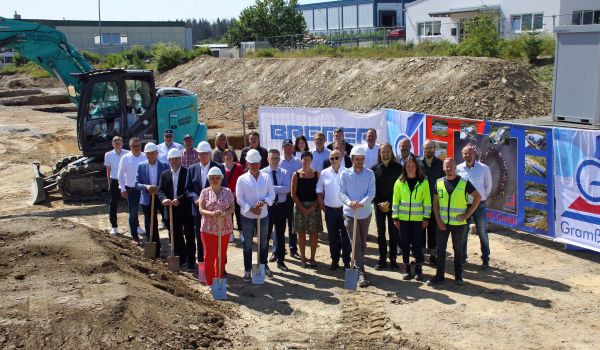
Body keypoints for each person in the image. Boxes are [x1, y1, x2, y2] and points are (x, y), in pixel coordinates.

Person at [427, 158, 481, 286]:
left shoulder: (464, 183)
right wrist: (438, 220)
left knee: (458, 250)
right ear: (443, 168)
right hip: (442, 223)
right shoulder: (439, 183)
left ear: (455, 167)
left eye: (451, 166)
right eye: (446, 166)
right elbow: (435, 203)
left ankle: (458, 277)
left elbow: (478, 197)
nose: (449, 168)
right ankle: (439, 277)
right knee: (440, 250)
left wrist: (468, 214)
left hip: (458, 224)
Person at [236, 149, 275, 281]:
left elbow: (272, 195)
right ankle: (247, 270)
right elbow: (239, 198)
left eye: (256, 163)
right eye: (251, 163)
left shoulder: (266, 177)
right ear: (247, 163)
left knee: (263, 243)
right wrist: (251, 209)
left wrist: (264, 202)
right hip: (247, 217)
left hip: (263, 215)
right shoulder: (241, 179)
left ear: (260, 163)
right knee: (247, 244)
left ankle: (262, 267)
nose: (254, 165)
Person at [339, 146, 376, 287]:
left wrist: (361, 203)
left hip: (365, 213)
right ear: (352, 159)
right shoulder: (345, 174)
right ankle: (360, 271)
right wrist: (350, 203)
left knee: (362, 242)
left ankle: (359, 263)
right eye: (357, 159)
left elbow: (371, 192)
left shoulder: (370, 174)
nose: (359, 162)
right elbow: (341, 193)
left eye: (361, 159)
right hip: (349, 213)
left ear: (364, 160)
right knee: (355, 243)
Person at [185, 141, 226, 265]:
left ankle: (219, 266)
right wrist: (195, 198)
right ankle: (203, 264)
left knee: (217, 238)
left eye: (206, 154)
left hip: (215, 211)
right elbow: (188, 189)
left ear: (210, 154)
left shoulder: (219, 168)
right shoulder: (192, 169)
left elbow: (224, 188)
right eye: (201, 154)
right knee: (201, 237)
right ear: (198, 155)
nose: (204, 156)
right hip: (199, 211)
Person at [392, 157, 431, 281]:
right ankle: (406, 267)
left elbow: (427, 201)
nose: (410, 168)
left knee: (417, 243)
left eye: (412, 166)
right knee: (404, 244)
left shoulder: (423, 182)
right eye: (408, 166)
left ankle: (418, 267)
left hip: (418, 219)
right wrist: (395, 217)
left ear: (416, 167)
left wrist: (426, 217)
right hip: (403, 220)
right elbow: (395, 201)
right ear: (404, 167)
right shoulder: (399, 182)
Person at [158, 149, 195, 271]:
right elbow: (161, 190)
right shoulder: (165, 174)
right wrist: (164, 199)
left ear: (181, 159)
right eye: (172, 159)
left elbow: (189, 190)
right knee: (176, 235)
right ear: (169, 160)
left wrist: (179, 199)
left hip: (185, 209)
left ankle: (191, 261)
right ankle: (181, 258)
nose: (175, 161)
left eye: (177, 159)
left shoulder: (187, 172)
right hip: (171, 209)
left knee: (189, 235)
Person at [457, 145, 492, 269]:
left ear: (474, 154)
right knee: (463, 233)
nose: (468, 155)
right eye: (465, 153)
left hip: (479, 205)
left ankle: (485, 259)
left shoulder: (484, 169)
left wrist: (482, 198)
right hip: (464, 205)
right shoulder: (458, 169)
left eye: (470, 153)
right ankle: (462, 257)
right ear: (462, 155)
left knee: (482, 232)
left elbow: (488, 186)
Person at [198, 167, 235, 286]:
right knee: (209, 256)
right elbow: (201, 209)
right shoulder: (205, 192)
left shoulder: (227, 191)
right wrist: (212, 214)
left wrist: (224, 213)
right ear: (209, 179)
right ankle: (209, 282)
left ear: (221, 178)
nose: (215, 180)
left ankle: (218, 279)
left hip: (224, 229)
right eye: (212, 178)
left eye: (217, 177)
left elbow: (232, 207)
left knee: (221, 256)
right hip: (208, 229)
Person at [317, 150, 351, 271]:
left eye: (337, 158)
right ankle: (335, 260)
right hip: (330, 210)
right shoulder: (324, 173)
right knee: (332, 237)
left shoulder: (347, 172)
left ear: (341, 158)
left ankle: (347, 261)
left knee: (346, 237)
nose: (334, 160)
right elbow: (319, 188)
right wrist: (321, 202)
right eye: (332, 158)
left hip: (345, 210)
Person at [372, 143, 402, 270]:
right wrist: (379, 203)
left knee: (393, 233)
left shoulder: (398, 168)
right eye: (383, 151)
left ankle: (393, 259)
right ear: (379, 153)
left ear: (391, 153)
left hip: (393, 205)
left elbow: (400, 189)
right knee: (380, 233)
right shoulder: (374, 169)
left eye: (387, 151)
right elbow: (371, 189)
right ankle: (382, 259)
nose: (385, 153)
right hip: (379, 206)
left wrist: (389, 203)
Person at [136, 143, 169, 256]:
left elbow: (168, 181)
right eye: (148, 153)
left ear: (157, 153)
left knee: (168, 220)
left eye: (153, 153)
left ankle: (174, 245)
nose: (151, 155)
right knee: (151, 224)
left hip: (161, 197)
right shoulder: (141, 166)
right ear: (145, 154)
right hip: (147, 198)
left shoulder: (165, 165)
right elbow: (136, 183)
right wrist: (147, 187)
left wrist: (159, 189)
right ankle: (155, 250)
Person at [291, 151, 323, 268]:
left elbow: (319, 192)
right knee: (301, 234)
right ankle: (303, 258)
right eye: (304, 159)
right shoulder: (296, 175)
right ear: (301, 160)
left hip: (314, 207)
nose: (306, 161)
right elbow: (293, 194)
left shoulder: (317, 174)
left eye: (309, 159)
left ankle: (312, 258)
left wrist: (314, 206)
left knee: (314, 234)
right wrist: (303, 208)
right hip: (300, 207)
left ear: (311, 160)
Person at [261, 149, 290, 271]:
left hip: (281, 207)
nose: (275, 161)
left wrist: (271, 188)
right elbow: (263, 190)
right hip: (268, 207)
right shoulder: (262, 173)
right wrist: (277, 188)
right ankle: (264, 263)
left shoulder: (284, 172)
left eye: (277, 158)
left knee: (280, 235)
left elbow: (287, 189)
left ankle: (281, 261)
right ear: (268, 159)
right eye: (273, 158)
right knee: (266, 236)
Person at [417, 139, 445, 265]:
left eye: (431, 148)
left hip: (435, 201)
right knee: (421, 228)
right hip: (421, 202)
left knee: (433, 229)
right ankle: (421, 254)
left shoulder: (440, 163)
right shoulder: (417, 162)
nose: (428, 150)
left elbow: (444, 181)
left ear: (434, 148)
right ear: (423, 149)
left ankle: (433, 255)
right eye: (426, 148)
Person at [117, 137, 147, 244]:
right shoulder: (125, 158)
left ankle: (150, 235)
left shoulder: (145, 156)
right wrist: (122, 189)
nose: (137, 148)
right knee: (133, 213)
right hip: (131, 189)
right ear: (130, 147)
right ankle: (135, 236)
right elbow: (120, 175)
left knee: (147, 212)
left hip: (144, 189)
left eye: (138, 145)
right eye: (134, 146)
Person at [279, 139, 302, 259]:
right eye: (285, 146)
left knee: (293, 225)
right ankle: (278, 250)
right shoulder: (278, 162)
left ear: (293, 148)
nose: (288, 148)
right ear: (282, 148)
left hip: (294, 196)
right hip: (282, 197)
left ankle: (293, 249)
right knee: (280, 225)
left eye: (290, 146)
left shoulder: (298, 162)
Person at [104, 136, 129, 235]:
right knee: (113, 204)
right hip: (115, 181)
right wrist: (109, 183)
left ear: (122, 143)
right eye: (115, 143)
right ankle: (114, 226)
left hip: (126, 181)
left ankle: (136, 225)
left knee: (131, 203)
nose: (118, 144)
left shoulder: (127, 153)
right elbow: (108, 170)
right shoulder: (108, 155)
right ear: (112, 144)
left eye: (119, 142)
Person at [223, 149, 244, 238]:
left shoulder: (238, 167)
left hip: (237, 196)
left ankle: (241, 232)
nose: (229, 157)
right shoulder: (221, 167)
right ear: (224, 157)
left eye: (231, 155)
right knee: (228, 216)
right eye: (227, 155)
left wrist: (236, 192)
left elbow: (242, 181)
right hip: (226, 197)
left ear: (233, 156)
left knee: (239, 215)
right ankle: (230, 233)